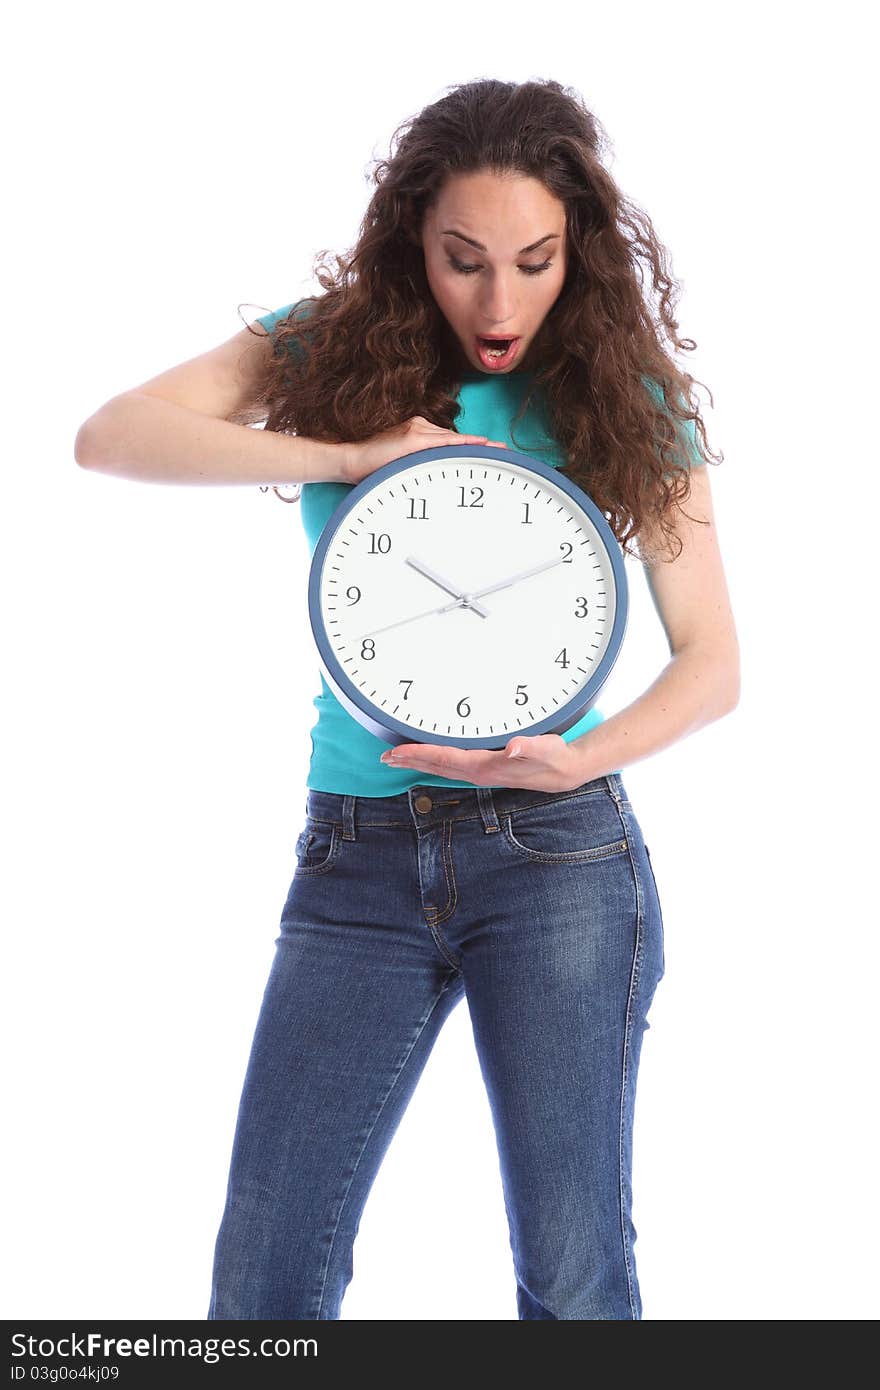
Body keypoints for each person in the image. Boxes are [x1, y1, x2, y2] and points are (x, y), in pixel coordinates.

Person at [74, 77, 739, 1320]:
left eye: (535, 262)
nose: (499, 302)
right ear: (410, 242)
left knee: (573, 1270)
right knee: (265, 1285)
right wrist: (350, 450)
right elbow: (111, 436)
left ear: (577, 249)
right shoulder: (330, 349)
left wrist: (580, 757)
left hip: (556, 857)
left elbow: (712, 660)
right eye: (463, 260)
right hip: (357, 853)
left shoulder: (621, 394)